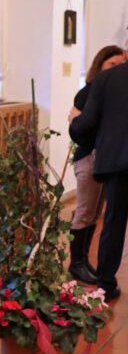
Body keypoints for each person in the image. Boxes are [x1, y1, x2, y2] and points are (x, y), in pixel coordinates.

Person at [70, 55, 128, 302]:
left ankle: (106, 283)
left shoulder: (107, 78)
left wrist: (75, 125)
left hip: (119, 160)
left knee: (114, 220)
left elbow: (87, 122)